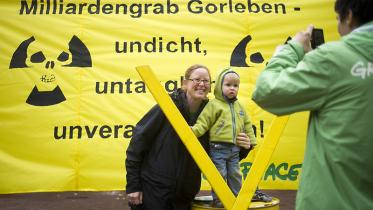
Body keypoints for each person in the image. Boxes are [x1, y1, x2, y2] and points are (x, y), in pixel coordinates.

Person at [251, 0, 373, 209]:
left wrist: (291, 50)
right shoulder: (334, 62)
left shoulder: (333, 59)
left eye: (337, 19)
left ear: (349, 16)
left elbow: (267, 91)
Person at [125, 64, 252, 210]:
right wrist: (133, 185)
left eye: (206, 81)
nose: (201, 84)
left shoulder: (213, 113)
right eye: (196, 79)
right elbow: (138, 144)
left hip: (184, 196)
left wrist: (243, 147)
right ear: (185, 83)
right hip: (154, 191)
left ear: (211, 87)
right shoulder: (167, 106)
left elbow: (219, 155)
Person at [191, 67, 271, 207]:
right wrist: (194, 131)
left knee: (235, 175)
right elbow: (203, 122)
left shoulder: (239, 107)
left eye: (235, 85)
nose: (232, 88)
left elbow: (247, 125)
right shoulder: (214, 105)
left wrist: (251, 141)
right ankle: (220, 200)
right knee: (219, 175)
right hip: (217, 149)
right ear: (219, 86)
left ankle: (236, 198)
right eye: (228, 85)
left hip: (234, 150)